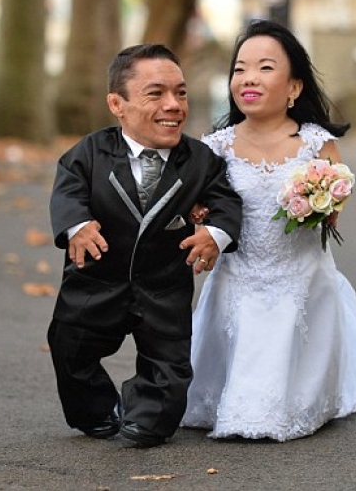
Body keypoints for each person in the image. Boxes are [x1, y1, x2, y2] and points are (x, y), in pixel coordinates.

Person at [181, 20, 356, 442]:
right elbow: (201, 204)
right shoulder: (215, 147)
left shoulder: (316, 143)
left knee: (288, 360)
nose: (249, 77)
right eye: (240, 69)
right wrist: (200, 217)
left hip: (300, 281)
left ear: (294, 88)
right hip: (240, 277)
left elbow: (337, 192)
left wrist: (327, 206)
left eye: (265, 68)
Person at [47, 44, 242, 448]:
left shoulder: (200, 161)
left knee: (168, 363)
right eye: (156, 94)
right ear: (117, 104)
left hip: (163, 284)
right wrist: (77, 226)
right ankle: (97, 411)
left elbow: (225, 200)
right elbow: (68, 191)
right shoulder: (91, 152)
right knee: (69, 347)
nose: (173, 105)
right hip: (96, 280)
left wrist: (215, 233)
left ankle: (148, 419)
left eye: (181, 93)